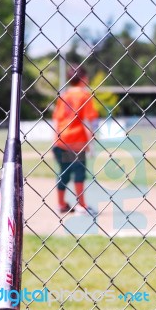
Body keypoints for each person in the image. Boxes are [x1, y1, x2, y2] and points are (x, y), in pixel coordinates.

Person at [52, 65, 99, 216]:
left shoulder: (63, 95)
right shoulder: (85, 96)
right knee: (79, 172)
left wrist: (55, 139)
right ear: (84, 79)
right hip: (77, 140)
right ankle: (81, 205)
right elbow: (89, 119)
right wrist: (92, 138)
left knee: (64, 173)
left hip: (61, 139)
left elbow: (56, 120)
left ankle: (61, 204)